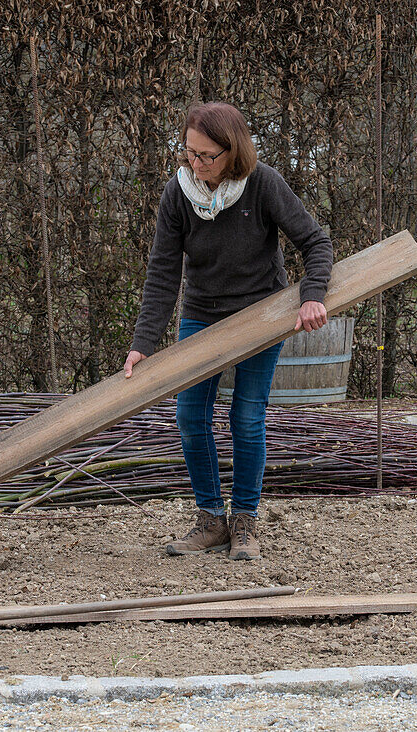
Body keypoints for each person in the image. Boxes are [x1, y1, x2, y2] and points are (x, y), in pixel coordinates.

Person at [123, 101, 333, 560]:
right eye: (188, 153)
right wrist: (142, 344)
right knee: (190, 418)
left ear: (232, 151)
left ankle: (245, 522)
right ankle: (211, 520)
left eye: (205, 156)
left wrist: (312, 294)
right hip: (201, 315)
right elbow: (162, 271)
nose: (195, 164)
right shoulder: (177, 193)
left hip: (260, 315)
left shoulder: (264, 184)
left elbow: (316, 241)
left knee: (246, 417)